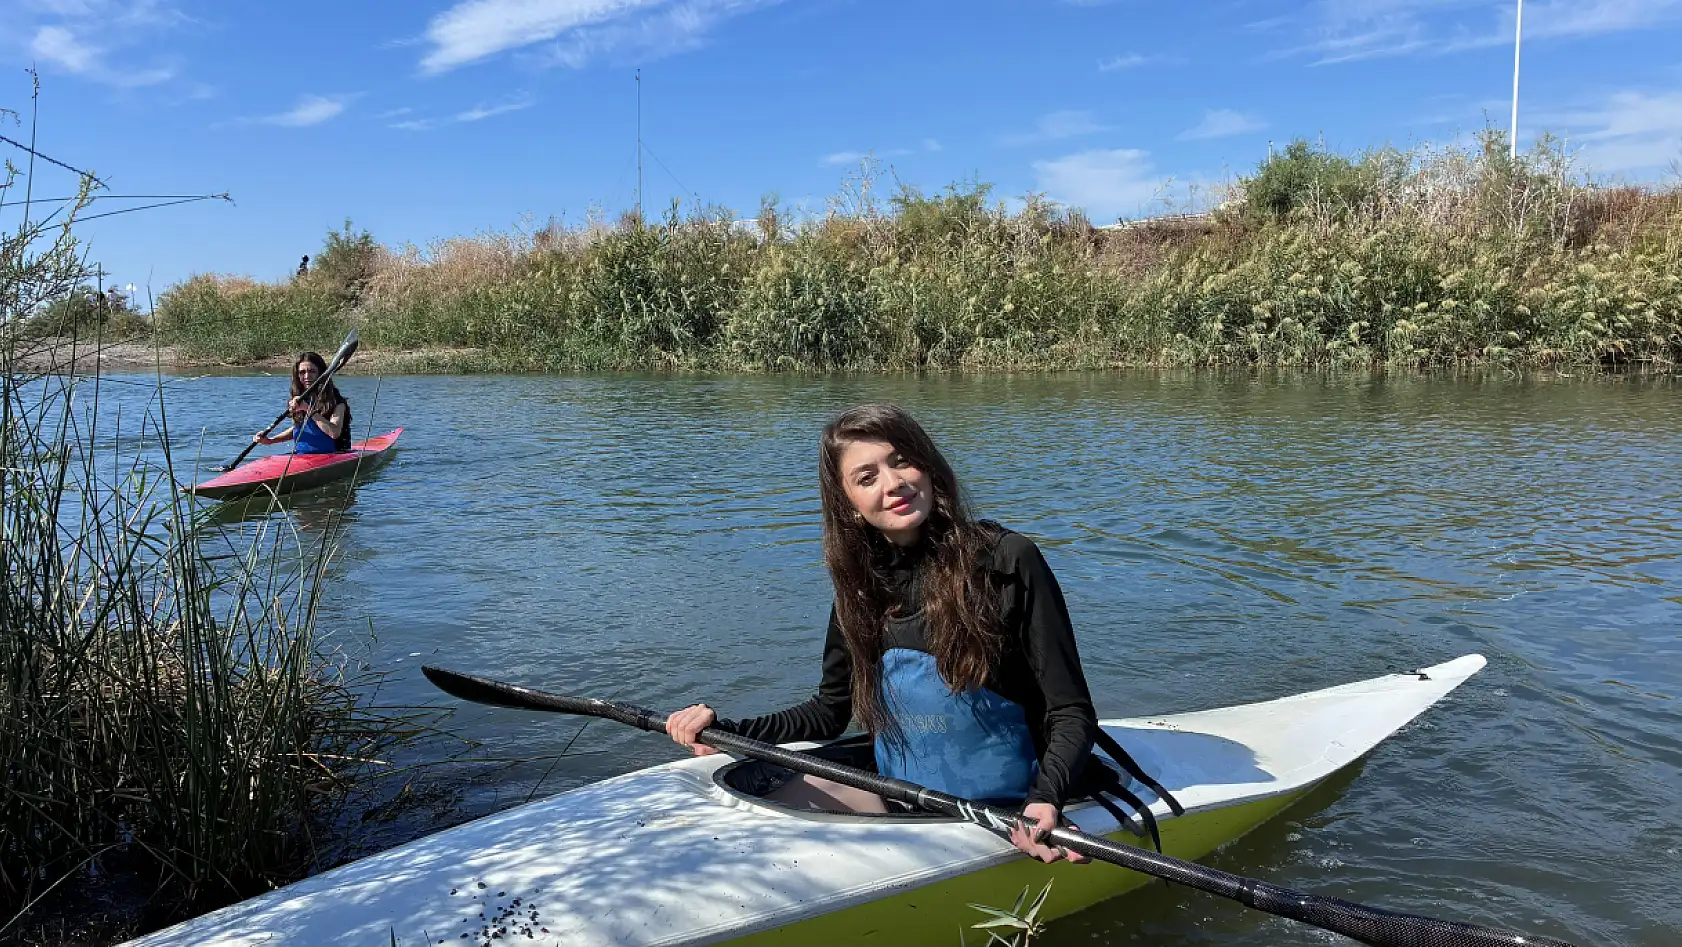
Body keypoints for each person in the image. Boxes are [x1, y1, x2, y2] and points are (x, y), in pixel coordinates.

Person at [666, 403, 1179, 864]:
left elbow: (1070, 711)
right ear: (849, 504)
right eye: (867, 477)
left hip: (1009, 806)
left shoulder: (1006, 561)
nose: (893, 483)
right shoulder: (859, 589)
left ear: (929, 469)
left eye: (902, 461)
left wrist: (1045, 800)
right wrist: (729, 731)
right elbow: (829, 712)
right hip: (903, 795)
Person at [253, 352, 351, 454]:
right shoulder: (301, 400)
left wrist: (307, 409)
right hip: (302, 457)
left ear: (321, 373)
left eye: (312, 371)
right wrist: (271, 441)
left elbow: (334, 433)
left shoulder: (338, 402)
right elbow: (300, 428)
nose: (307, 376)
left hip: (333, 456)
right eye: (302, 372)